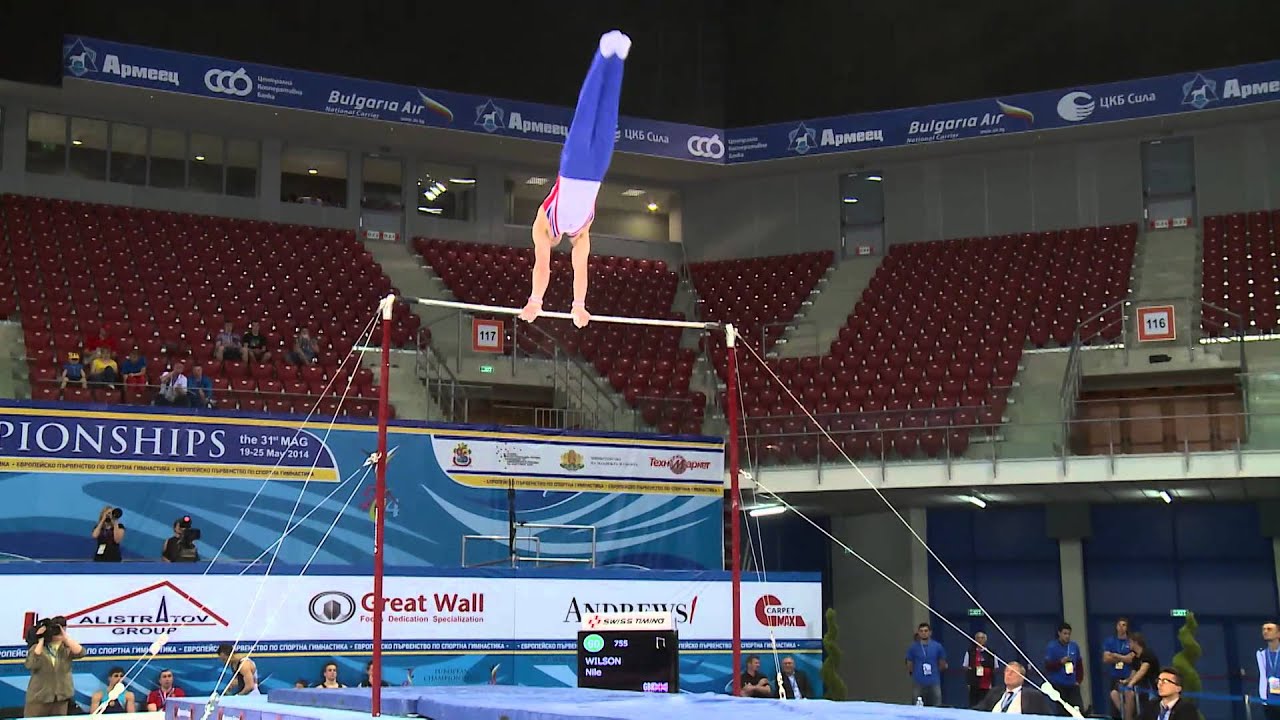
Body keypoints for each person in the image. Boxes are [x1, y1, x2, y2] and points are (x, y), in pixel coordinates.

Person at [518, 30, 631, 329]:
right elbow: (581, 271)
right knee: (608, 114)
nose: (555, 246)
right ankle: (618, 58)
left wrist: (535, 301)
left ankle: (603, 54)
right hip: (597, 170)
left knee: (587, 109)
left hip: (572, 167)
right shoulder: (582, 234)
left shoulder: (543, 224)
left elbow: (542, 267)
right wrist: (578, 306)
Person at [24, 619, 85, 717]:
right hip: (39, 698)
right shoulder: (37, 649)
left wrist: (66, 638)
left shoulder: (66, 648)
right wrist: (40, 639)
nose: (58, 633)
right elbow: (31, 664)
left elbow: (81, 653)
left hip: (61, 698)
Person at [972, 662, 1051, 715]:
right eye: (1006, 671)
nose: (1008, 674)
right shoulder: (995, 692)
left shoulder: (1033, 695)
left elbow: (1047, 716)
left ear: (1022, 677)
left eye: (1013, 672)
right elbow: (979, 709)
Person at [1113, 632, 1158, 720]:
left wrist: (1131, 684)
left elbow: (1142, 671)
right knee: (1114, 693)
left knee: (1129, 693)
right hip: (1138, 686)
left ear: (1135, 642)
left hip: (1150, 687)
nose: (1128, 644)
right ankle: (1126, 714)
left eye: (1129, 642)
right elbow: (1134, 672)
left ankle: (1128, 718)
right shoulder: (1135, 657)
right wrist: (1127, 681)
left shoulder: (1147, 654)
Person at [1045, 622, 1083, 714]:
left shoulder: (1074, 646)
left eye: (1069, 634)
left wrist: (1078, 680)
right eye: (1065, 634)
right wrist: (1060, 662)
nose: (1067, 636)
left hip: (1072, 684)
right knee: (1062, 711)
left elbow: (1079, 664)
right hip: (1058, 684)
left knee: (1077, 709)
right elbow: (1048, 666)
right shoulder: (1052, 646)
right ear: (1059, 633)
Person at [906, 622, 947, 706]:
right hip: (918, 681)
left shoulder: (937, 646)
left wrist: (935, 671)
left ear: (930, 632)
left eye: (926, 631)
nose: (923, 633)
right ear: (918, 633)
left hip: (934, 681)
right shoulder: (913, 647)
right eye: (921, 631)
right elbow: (909, 663)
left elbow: (942, 663)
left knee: (937, 705)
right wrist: (915, 673)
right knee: (917, 705)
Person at [1103, 618, 1135, 720]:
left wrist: (1115, 655)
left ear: (1127, 628)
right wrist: (1124, 657)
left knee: (1130, 699)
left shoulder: (1131, 642)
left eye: (1124, 625)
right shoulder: (1110, 641)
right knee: (1114, 701)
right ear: (1116, 627)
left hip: (1128, 677)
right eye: (1119, 625)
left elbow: (1131, 659)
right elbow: (1106, 659)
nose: (1121, 627)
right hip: (1115, 676)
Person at [964, 631, 998, 708]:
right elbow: (965, 666)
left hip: (987, 682)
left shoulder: (991, 652)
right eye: (978, 638)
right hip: (974, 683)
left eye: (982, 638)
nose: (980, 640)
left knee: (986, 703)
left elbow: (995, 667)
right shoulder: (970, 652)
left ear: (985, 640)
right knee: (974, 703)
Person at [1256, 621, 1280, 719]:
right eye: (1263, 629)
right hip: (1270, 700)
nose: (1265, 632)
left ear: (1278, 633)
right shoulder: (1261, 653)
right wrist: (1263, 698)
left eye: (1269, 629)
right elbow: (1263, 676)